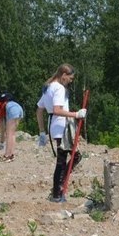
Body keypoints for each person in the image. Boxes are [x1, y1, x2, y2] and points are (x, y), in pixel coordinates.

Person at [36, 64, 86, 202]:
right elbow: (57, 110)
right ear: (63, 75)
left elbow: (39, 110)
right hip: (61, 126)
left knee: (69, 158)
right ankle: (57, 193)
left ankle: (58, 189)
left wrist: (42, 131)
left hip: (55, 126)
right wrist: (76, 114)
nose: (71, 81)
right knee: (63, 161)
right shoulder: (58, 88)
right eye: (70, 78)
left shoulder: (49, 87)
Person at [0, 92, 24, 163]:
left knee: (9, 134)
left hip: (12, 109)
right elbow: (2, 128)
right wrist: (1, 142)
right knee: (12, 134)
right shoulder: (5, 103)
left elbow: (0, 127)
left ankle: (7, 155)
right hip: (19, 107)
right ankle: (11, 154)